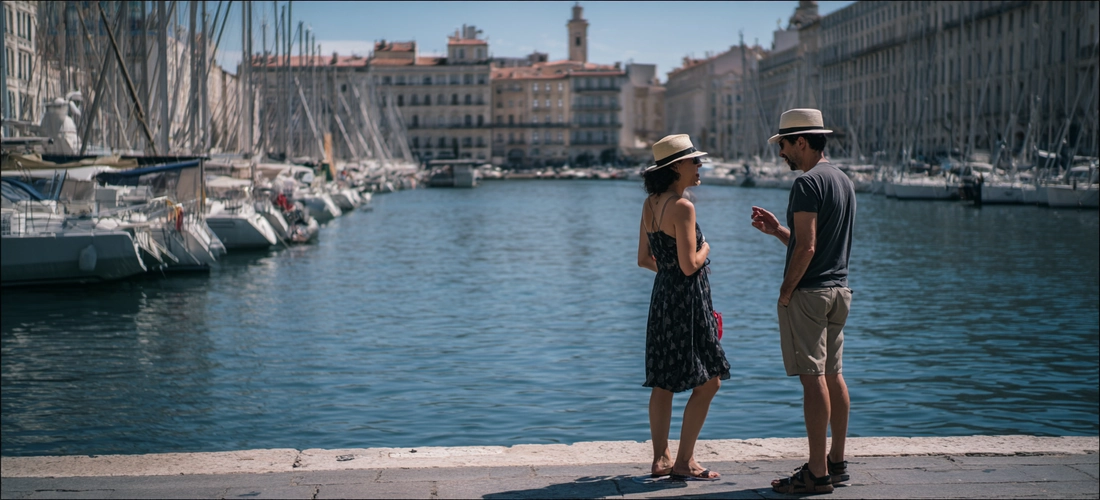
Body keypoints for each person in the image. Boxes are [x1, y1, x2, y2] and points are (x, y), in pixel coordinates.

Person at [750, 109, 856, 495]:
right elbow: (815, 243)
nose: (781, 154)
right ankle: (837, 462)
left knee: (813, 382)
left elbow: (808, 247)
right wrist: (779, 230)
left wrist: (785, 291)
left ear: (801, 141)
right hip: (839, 291)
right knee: (833, 375)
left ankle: (816, 473)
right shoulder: (842, 180)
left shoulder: (807, 184)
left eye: (783, 145)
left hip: (810, 293)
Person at [637, 134, 731, 481]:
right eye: (695, 161)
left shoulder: (651, 204)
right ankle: (684, 462)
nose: (699, 166)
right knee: (709, 382)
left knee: (664, 381)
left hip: (662, 298)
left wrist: (672, 273)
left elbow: (644, 259)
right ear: (677, 166)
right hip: (688, 303)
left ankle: (660, 459)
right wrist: (708, 247)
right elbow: (691, 264)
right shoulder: (683, 206)